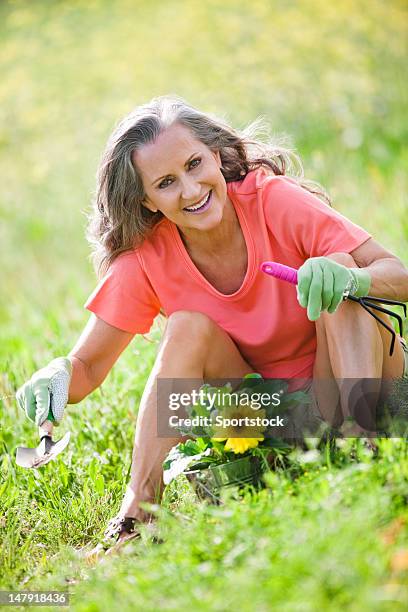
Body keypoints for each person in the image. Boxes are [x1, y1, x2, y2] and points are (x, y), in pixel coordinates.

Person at [16, 96, 408, 550]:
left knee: (336, 267)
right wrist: (58, 373)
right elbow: (86, 368)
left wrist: (351, 277)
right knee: (186, 326)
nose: (191, 189)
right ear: (147, 200)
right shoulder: (149, 256)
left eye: (194, 164)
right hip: (268, 416)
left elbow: (398, 275)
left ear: (217, 156)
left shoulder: (272, 201)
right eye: (166, 182)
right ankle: (137, 515)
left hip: (360, 384)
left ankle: (363, 454)